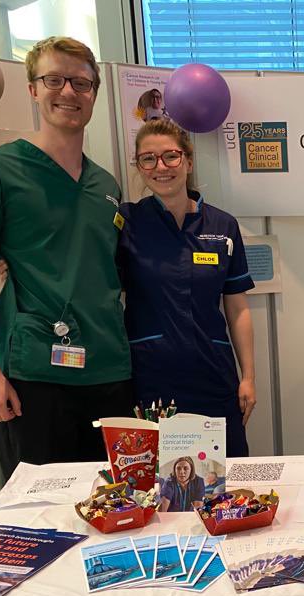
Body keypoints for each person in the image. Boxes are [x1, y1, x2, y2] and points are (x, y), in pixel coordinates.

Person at [0, 37, 132, 484]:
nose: (68, 92)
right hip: (35, 377)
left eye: (81, 83)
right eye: (54, 79)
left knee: (119, 505)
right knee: (38, 513)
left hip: (109, 372)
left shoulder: (105, 186)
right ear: (32, 89)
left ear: (95, 94)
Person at [118, 119, 256, 457]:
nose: (160, 167)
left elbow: (237, 308)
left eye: (170, 156)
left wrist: (248, 376)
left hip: (213, 375)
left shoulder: (223, 226)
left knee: (224, 479)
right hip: (151, 379)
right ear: (138, 166)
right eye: (148, 158)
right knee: (160, 485)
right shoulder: (125, 223)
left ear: (188, 162)